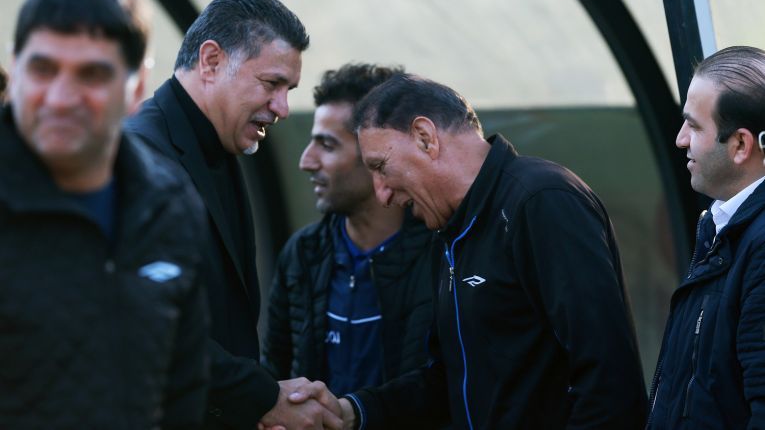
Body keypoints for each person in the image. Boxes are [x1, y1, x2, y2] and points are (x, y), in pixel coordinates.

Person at [322, 74, 647, 429]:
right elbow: (448, 382)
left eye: (380, 167)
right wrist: (352, 411)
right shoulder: (450, 231)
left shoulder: (542, 201)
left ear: (425, 137)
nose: (381, 194)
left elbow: (609, 381)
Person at [0, 0, 209, 428]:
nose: (60, 98)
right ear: (14, 70)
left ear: (136, 87)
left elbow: (184, 391)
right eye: (42, 69)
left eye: (91, 74)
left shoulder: (171, 207)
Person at [125, 0, 341, 430]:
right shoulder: (140, 157)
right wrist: (262, 398)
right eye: (271, 84)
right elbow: (142, 324)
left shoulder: (218, 147)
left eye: (288, 90)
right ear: (211, 61)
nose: (283, 108)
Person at [261, 63, 434, 395]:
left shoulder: (442, 258)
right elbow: (273, 374)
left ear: (378, 154)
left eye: (326, 145)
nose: (306, 161)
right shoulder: (303, 254)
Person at [647, 46, 765, 429]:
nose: (680, 139)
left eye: (694, 127)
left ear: (741, 145)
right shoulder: (722, 228)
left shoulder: (759, 245)